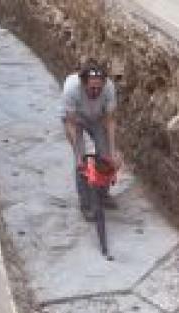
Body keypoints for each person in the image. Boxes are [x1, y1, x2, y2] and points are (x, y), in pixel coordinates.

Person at [61, 58, 118, 215]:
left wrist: (112, 151)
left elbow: (110, 119)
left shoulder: (109, 88)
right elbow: (70, 124)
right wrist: (78, 153)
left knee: (105, 156)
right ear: (83, 83)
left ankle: (103, 194)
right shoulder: (71, 89)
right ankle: (85, 204)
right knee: (80, 163)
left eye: (99, 88)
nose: (95, 92)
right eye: (92, 88)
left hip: (98, 118)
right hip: (76, 120)